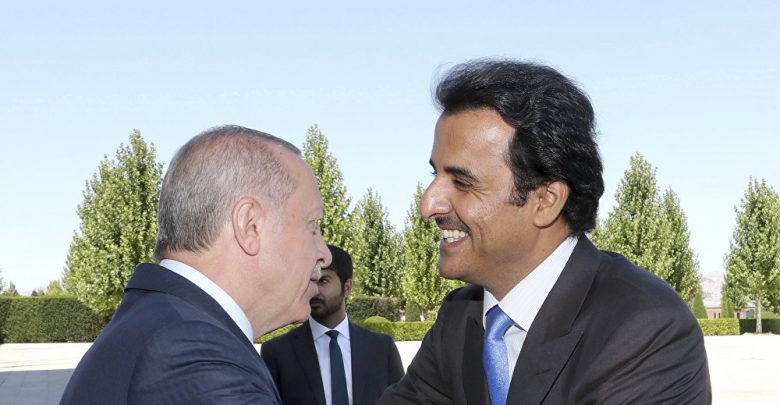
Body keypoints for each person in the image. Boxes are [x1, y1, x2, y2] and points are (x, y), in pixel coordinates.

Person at [379, 60, 711, 404]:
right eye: (435, 175)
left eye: (462, 182)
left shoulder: (647, 328)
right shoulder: (460, 316)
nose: (428, 203)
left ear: (546, 200)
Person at [60, 125, 332, 404]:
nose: (325, 255)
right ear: (249, 226)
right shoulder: (194, 352)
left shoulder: (163, 324)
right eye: (312, 226)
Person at [261, 244, 405, 405]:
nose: (314, 290)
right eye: (310, 281)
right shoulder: (278, 353)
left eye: (323, 281)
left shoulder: (382, 348)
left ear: (347, 288)